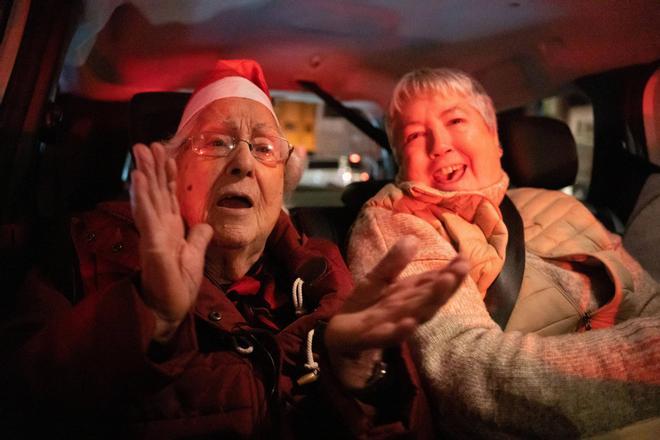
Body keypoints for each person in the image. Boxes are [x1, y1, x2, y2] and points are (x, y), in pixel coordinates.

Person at [0, 60, 470, 439]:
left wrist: (358, 379)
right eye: (216, 142)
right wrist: (147, 317)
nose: (243, 162)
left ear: (282, 183)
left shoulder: (323, 271)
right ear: (172, 166)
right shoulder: (85, 248)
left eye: (264, 148)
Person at [347, 67, 660, 438]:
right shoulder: (398, 223)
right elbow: (465, 374)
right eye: (415, 135)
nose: (440, 144)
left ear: (495, 137)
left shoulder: (564, 207)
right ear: (400, 162)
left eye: (456, 120)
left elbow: (648, 303)